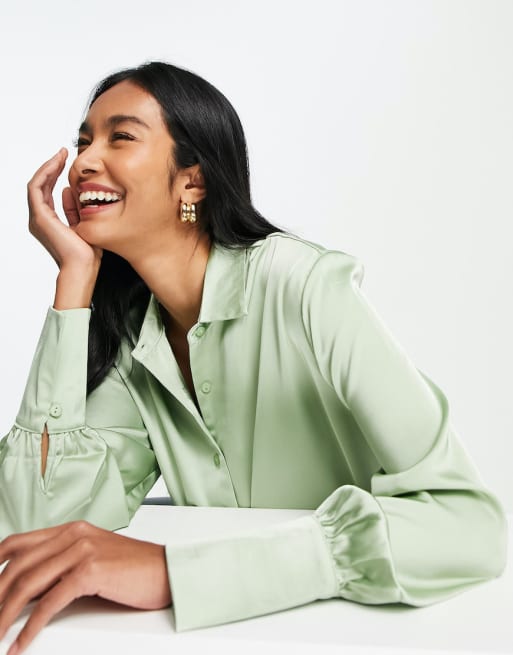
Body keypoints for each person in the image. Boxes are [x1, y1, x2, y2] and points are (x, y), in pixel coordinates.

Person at [0, 61, 507, 655]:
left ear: (193, 181)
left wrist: (174, 574)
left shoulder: (305, 287)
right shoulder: (135, 341)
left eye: (122, 137)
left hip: (371, 638)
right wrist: (73, 281)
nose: (84, 161)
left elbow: (469, 526)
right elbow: (38, 529)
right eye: (83, 140)